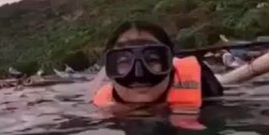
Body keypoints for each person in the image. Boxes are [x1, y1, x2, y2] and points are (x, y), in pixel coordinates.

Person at [92, 21, 223, 111]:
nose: (139, 74)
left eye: (152, 59)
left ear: (170, 63)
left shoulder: (207, 93)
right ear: (110, 69)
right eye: (124, 61)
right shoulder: (98, 112)